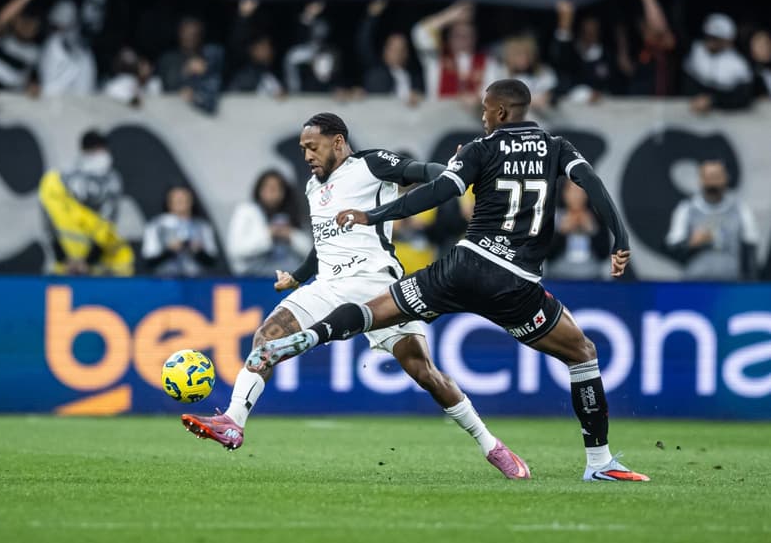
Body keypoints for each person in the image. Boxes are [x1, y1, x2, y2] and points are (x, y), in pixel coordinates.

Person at [254, 81, 650, 482]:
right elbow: (593, 186)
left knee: (378, 310)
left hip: (464, 266)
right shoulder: (557, 146)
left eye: (484, 110)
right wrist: (620, 238)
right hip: (516, 283)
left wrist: (371, 215)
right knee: (582, 353)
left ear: (499, 112)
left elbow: (436, 193)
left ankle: (312, 336)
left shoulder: (481, 148)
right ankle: (599, 463)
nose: (481, 117)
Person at [181, 113, 532, 480]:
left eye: (312, 147)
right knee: (266, 337)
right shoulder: (313, 187)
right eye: (303, 149)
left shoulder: (372, 164)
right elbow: (323, 243)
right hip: (328, 284)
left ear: (337, 142)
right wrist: (298, 277)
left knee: (423, 371)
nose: (307, 156)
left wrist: (457, 168)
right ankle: (233, 421)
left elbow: (425, 171)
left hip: (375, 284)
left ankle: (491, 445)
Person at [39, 129, 133, 276]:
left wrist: (88, 261)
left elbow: (107, 226)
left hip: (98, 265)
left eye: (101, 149)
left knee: (95, 298)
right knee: (61, 298)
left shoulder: (112, 180)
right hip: (64, 266)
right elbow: (50, 219)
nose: (100, 154)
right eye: (94, 149)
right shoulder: (60, 179)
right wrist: (64, 259)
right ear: (84, 151)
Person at [664, 160, 758, 281]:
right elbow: (671, 248)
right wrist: (690, 244)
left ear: (725, 179)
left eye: (716, 177)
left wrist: (752, 284)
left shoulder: (740, 209)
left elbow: (750, 250)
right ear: (701, 180)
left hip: (731, 286)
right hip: (694, 285)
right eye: (708, 177)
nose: (712, 183)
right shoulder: (686, 209)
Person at [226, 169, 311, 277]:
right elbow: (236, 250)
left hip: (287, 278)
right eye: (268, 187)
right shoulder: (246, 211)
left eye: (277, 188)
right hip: (253, 278)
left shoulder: (292, 213)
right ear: (259, 189)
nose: (272, 192)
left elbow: (309, 251)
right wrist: (269, 234)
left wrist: (289, 235)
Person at [411, 1, 488, 103]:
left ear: (475, 38)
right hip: (440, 116)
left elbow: (492, 97)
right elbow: (420, 33)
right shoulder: (436, 58)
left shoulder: (488, 63)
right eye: (458, 35)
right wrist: (451, 15)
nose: (462, 40)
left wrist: (477, 100)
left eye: (467, 36)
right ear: (449, 38)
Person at [39, 0, 106, 96]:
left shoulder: (87, 56)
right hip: (61, 53)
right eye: (91, 2)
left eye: (98, 5)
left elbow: (86, 93)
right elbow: (51, 27)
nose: (94, 11)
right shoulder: (55, 44)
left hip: (81, 54)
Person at [356, 0, 424, 105]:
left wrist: (419, 97)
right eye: (393, 49)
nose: (397, 53)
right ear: (385, 51)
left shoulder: (416, 78)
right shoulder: (376, 73)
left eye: (401, 49)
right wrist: (371, 17)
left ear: (407, 53)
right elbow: (363, 44)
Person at [141, 186, 219, 277]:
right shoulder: (156, 226)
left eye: (184, 199)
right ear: (169, 203)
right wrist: (170, 251)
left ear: (191, 201)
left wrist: (198, 251)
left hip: (196, 282)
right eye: (177, 200)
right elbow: (149, 260)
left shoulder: (202, 227)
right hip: (166, 281)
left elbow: (212, 260)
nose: (181, 203)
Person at [682, 13, 753, 113]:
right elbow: (686, 81)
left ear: (728, 40)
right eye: (708, 36)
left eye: (715, 38)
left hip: (727, 119)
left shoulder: (738, 64)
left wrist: (713, 101)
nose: (710, 41)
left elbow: (744, 97)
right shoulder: (695, 50)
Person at [545, 179, 611, 279]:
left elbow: (604, 254)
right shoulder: (553, 217)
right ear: (564, 193)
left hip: (592, 278)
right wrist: (561, 232)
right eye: (573, 190)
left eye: (581, 191)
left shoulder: (597, 217)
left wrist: (592, 231)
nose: (577, 196)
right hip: (558, 277)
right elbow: (547, 255)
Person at [157, 17, 223, 113]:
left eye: (194, 34)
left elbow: (218, 84)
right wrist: (186, 71)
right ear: (179, 34)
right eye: (187, 34)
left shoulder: (209, 57)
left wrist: (207, 72)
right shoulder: (168, 59)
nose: (190, 37)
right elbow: (167, 85)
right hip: (171, 111)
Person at [0, 0, 41, 93]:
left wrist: (33, 86)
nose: (28, 26)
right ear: (15, 21)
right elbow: (1, 21)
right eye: (24, 21)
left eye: (32, 22)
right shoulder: (0, 37)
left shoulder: (36, 52)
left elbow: (33, 81)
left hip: (12, 101)